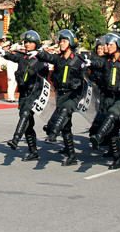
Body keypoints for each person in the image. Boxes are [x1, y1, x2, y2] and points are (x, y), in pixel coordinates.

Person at [36, 29, 90, 166]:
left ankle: (53, 134)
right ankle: (71, 155)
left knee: (65, 111)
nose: (61, 43)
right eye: (61, 41)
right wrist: (38, 51)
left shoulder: (79, 61)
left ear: (71, 43)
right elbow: (46, 57)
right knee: (66, 126)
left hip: (73, 94)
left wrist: (84, 96)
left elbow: (86, 80)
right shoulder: (58, 58)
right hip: (60, 94)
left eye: (64, 41)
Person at [0, 30, 50, 161]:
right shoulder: (23, 56)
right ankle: (33, 151)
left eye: (30, 42)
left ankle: (15, 139)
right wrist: (4, 54)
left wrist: (39, 56)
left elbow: (45, 71)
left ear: (36, 44)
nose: (27, 45)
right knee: (28, 123)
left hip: (35, 92)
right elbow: (14, 57)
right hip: (23, 92)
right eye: (26, 42)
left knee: (26, 114)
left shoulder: (41, 59)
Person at [88, 32, 120, 170]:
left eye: (110, 44)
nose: (106, 46)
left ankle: (99, 136)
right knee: (113, 132)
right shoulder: (105, 61)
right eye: (106, 44)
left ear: (118, 45)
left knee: (112, 115)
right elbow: (98, 62)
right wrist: (89, 62)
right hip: (107, 97)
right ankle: (117, 158)